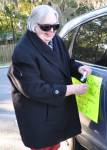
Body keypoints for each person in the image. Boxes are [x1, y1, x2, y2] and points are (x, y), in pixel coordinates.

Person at [7, 4, 92, 150]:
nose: (51, 31)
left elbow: (66, 62)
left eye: (55, 26)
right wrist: (70, 89)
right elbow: (34, 89)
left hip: (56, 112)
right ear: (33, 25)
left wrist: (78, 68)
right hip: (39, 117)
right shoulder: (23, 51)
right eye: (46, 27)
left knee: (55, 145)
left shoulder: (56, 40)